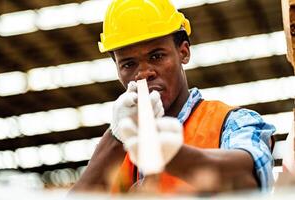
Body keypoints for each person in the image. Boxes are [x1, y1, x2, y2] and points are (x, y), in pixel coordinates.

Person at [71, 0, 275, 194]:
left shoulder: (232, 122)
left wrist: (173, 156)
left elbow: (249, 179)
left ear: (183, 52)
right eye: (128, 64)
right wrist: (116, 137)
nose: (143, 73)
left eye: (156, 56)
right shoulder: (112, 149)